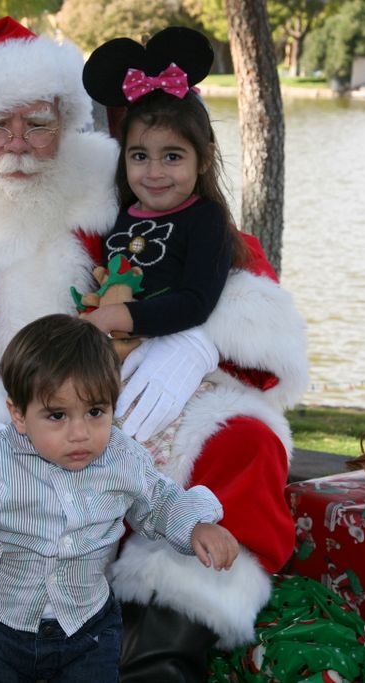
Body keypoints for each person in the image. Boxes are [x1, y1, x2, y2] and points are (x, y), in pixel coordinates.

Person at [0, 16, 308, 683]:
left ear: (65, 119)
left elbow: (224, 247)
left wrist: (197, 338)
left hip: (122, 411)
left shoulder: (111, 177)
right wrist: (20, 445)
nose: (17, 145)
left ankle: (159, 645)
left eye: (38, 122)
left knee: (243, 440)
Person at [0, 314, 238, 682]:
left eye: (95, 412)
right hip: (3, 630)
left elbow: (159, 500)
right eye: (57, 415)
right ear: (18, 414)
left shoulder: (121, 457)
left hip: (88, 632)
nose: (80, 433)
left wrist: (196, 525)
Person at [79, 27, 246, 463]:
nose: (154, 172)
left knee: (147, 456)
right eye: (139, 156)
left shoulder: (204, 218)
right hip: (110, 364)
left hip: (172, 366)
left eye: (172, 156)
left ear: (204, 158)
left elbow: (195, 301)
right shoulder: (116, 217)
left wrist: (117, 315)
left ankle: (162, 525)